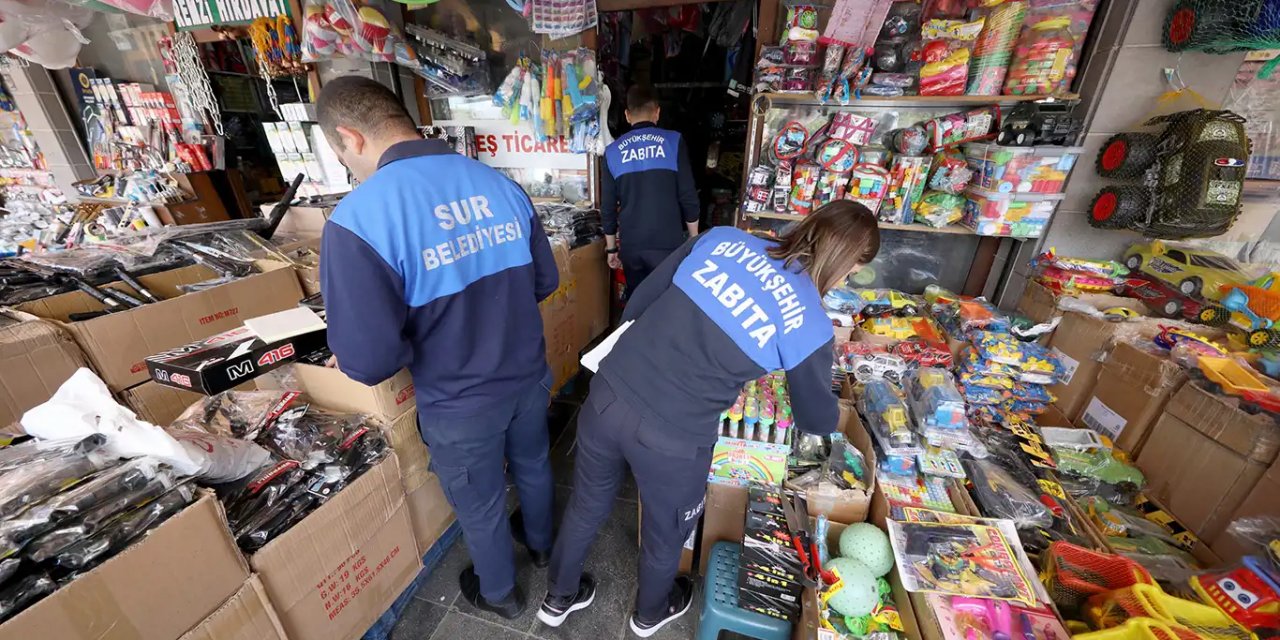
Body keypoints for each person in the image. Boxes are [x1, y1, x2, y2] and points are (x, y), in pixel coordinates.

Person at [537, 201, 881, 636]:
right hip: (674, 437)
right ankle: (649, 614)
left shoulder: (723, 239)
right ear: (844, 261)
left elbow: (641, 301)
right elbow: (816, 418)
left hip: (609, 393)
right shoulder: (810, 324)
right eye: (851, 272)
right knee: (666, 532)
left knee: (587, 502)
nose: (844, 280)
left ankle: (558, 597)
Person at [317, 76, 558, 619]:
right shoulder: (499, 185)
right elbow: (544, 281)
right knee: (534, 463)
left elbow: (370, 362)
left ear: (350, 137)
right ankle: (543, 546)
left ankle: (500, 594)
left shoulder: (358, 220)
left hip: (459, 401)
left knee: (481, 502)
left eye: (339, 154)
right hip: (527, 375)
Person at [601, 85, 701, 295]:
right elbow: (688, 195)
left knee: (637, 300)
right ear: (657, 112)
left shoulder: (612, 152)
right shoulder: (673, 142)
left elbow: (608, 206)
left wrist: (611, 248)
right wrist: (693, 238)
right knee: (664, 302)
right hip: (668, 244)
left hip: (632, 246)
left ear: (627, 115)